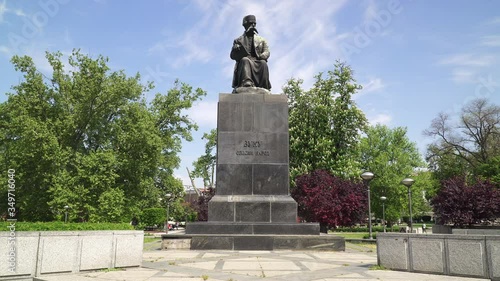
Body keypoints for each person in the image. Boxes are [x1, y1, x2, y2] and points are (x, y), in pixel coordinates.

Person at [230, 15, 271, 91]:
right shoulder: (238, 40)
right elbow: (232, 56)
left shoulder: (261, 39)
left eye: (254, 23)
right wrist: (235, 50)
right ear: (245, 25)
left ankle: (263, 85)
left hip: (257, 60)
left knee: (263, 63)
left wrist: (262, 56)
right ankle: (247, 82)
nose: (252, 25)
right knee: (245, 60)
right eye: (250, 23)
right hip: (244, 62)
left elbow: (267, 51)